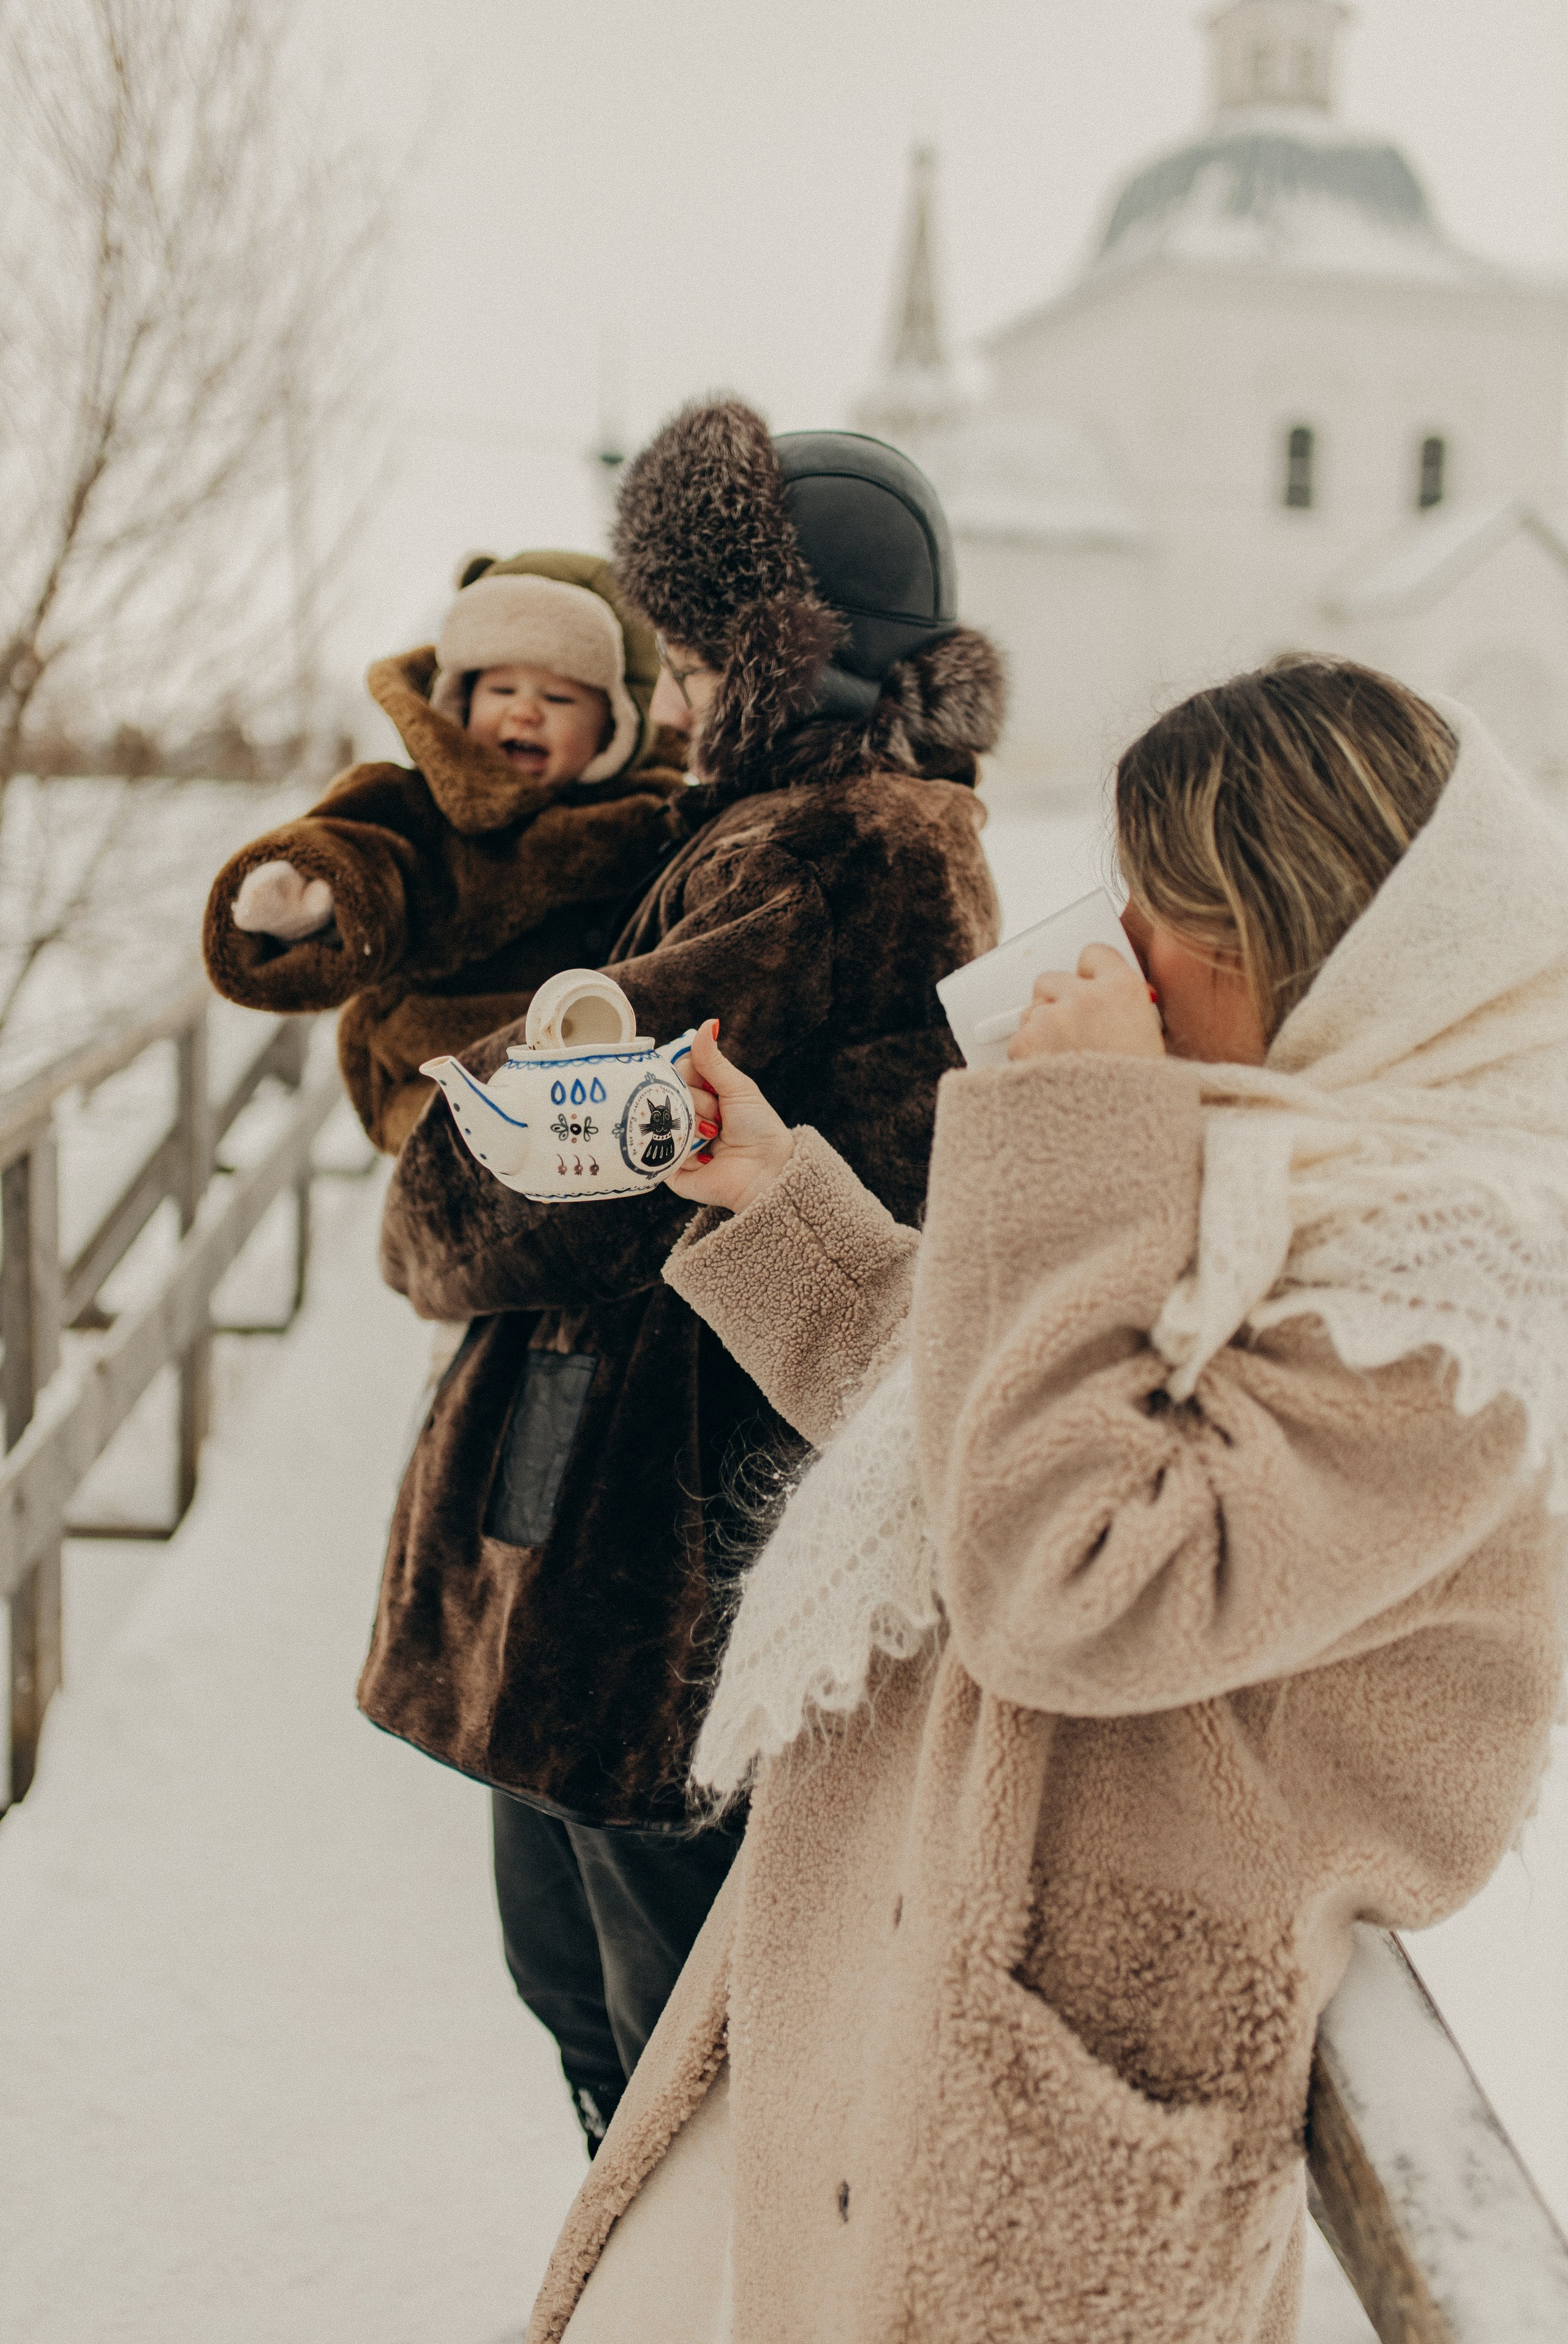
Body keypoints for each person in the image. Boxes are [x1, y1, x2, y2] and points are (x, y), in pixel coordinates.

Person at [532, 658, 1568, 2343]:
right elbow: (980, 1418)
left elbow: (1066, 1574)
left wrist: (1074, 1128)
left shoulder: (1447, 1297)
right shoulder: (1267, 1171)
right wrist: (779, 1191)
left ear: (1310, 942)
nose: (1118, 949)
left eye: (1165, 911)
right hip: (880, 1972)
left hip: (1028, 2078)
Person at [361, 400, 1004, 2152]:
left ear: (790, 653)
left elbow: (538, 1151)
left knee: (653, 2035)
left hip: (658, 1513)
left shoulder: (826, 842)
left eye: (705, 650)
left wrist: (421, 1192)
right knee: (610, 1997)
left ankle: (681, 2280)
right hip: (669, 1476)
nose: (683, 690)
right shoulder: (840, 823)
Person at [203, 552, 687, 1153]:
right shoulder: (421, 807)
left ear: (614, 726)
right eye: (501, 689)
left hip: (600, 1105)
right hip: (439, 1082)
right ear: (459, 702)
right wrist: (318, 899)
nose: (525, 710)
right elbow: (367, 852)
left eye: (559, 698)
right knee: (464, 1176)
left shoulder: (649, 820)